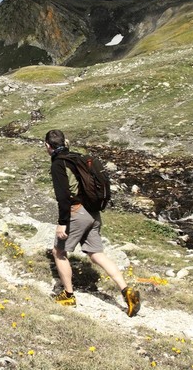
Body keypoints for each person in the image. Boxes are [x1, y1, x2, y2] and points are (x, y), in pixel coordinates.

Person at [44, 129, 140, 317]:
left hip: (77, 212)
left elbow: (63, 197)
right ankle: (126, 291)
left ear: (48, 146)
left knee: (59, 252)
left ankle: (68, 295)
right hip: (92, 212)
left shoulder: (58, 164)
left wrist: (62, 222)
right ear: (65, 142)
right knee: (96, 253)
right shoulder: (76, 158)